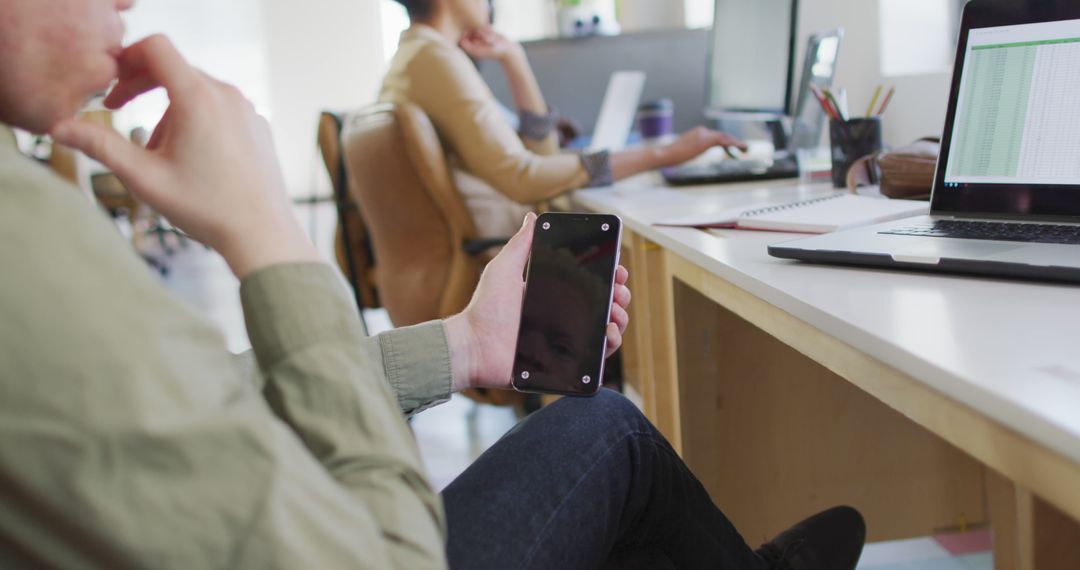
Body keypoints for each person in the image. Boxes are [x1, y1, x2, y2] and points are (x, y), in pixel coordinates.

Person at [0, 0, 866, 568]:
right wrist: (267, 234)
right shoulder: (22, 230)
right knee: (613, 435)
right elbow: (530, 171)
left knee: (604, 426)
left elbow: (199, 397)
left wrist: (463, 345)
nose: (126, 2)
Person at [380, 0, 747, 239]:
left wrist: (514, 61)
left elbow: (540, 158)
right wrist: (663, 154)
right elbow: (524, 179)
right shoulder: (436, 61)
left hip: (512, 230)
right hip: (511, 247)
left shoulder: (417, 57)